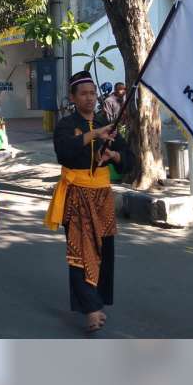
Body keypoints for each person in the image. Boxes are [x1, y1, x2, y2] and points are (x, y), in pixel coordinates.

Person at [47, 71, 135, 334]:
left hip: (102, 197)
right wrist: (92, 135)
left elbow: (130, 158)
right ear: (73, 98)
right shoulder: (66, 124)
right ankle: (91, 309)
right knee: (80, 253)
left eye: (92, 93)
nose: (89, 98)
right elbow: (64, 152)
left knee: (103, 251)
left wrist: (115, 155)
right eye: (83, 94)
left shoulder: (104, 122)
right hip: (77, 195)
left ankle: (96, 300)